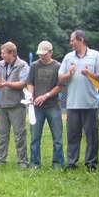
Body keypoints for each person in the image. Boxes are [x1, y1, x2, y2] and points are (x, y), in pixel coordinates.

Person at [59, 30, 99, 171]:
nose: (71, 43)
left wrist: (88, 73)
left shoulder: (95, 55)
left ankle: (91, 163)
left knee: (91, 136)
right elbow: (60, 78)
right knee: (72, 135)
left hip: (90, 103)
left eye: (73, 40)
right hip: (72, 104)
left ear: (81, 39)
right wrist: (69, 73)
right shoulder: (68, 57)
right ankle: (72, 162)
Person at [26, 41, 64, 169]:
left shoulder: (58, 66)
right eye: (40, 54)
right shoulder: (34, 66)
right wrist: (31, 95)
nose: (41, 56)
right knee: (34, 137)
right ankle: (35, 163)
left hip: (53, 106)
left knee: (57, 138)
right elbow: (30, 82)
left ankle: (58, 164)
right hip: (37, 108)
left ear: (51, 52)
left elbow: (60, 86)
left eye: (44, 54)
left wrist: (46, 95)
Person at [0, 42, 29, 167]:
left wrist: (6, 83)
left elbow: (23, 83)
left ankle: (22, 161)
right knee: (2, 134)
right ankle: (0, 160)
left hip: (17, 105)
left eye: (3, 53)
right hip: (2, 105)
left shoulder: (23, 65)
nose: (1, 55)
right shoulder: (0, 64)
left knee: (19, 135)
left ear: (11, 53)